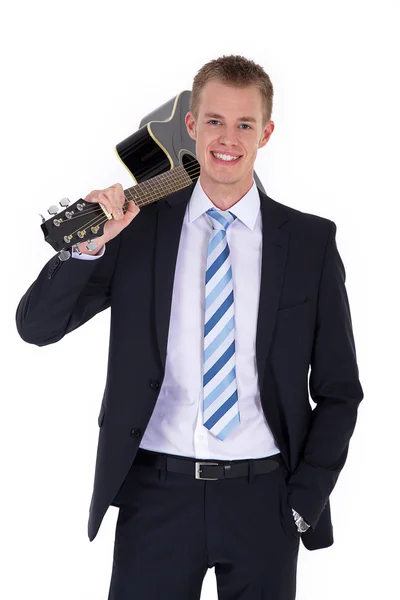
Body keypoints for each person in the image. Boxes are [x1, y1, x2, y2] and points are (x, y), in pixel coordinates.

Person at [16, 54, 364, 600]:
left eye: (245, 123)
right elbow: (36, 327)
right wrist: (88, 245)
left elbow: (341, 391)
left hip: (265, 500)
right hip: (156, 493)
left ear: (266, 133)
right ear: (191, 126)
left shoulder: (311, 243)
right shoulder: (137, 230)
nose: (228, 138)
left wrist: (303, 502)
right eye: (215, 121)